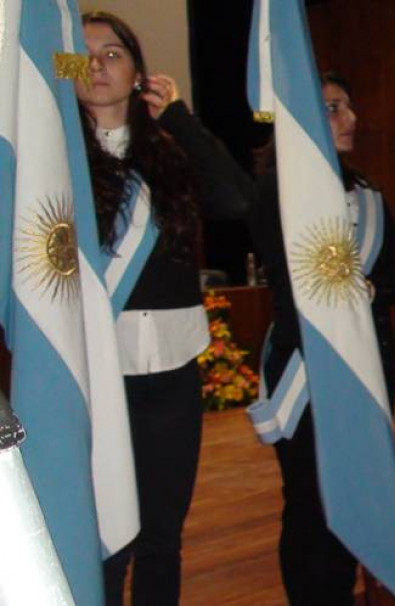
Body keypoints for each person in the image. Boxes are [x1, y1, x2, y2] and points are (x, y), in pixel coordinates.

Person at [76, 11, 253, 606]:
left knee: (161, 537)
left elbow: (235, 199)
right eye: (84, 54)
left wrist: (177, 114)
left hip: (172, 370)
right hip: (95, 371)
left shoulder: (171, 156)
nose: (98, 64)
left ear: (138, 74)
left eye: (113, 53)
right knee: (105, 539)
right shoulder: (56, 161)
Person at [247, 72, 395, 606]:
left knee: (354, 493)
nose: (351, 119)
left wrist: (368, 290)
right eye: (333, 107)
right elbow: (286, 283)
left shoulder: (367, 196)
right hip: (308, 370)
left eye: (348, 106)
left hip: (367, 365)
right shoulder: (274, 193)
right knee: (310, 500)